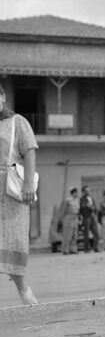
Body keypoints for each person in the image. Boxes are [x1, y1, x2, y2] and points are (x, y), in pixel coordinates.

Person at [0, 84, 39, 305]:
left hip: (12, 191)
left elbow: (29, 151)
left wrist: (28, 185)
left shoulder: (18, 122)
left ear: (3, 96)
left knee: (14, 240)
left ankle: (23, 290)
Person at [58, 187, 81, 254]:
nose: (77, 194)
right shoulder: (67, 200)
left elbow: (78, 209)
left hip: (75, 217)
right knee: (68, 235)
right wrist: (61, 219)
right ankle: (65, 250)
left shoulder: (77, 200)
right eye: (76, 192)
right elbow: (63, 210)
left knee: (75, 234)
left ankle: (73, 249)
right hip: (68, 217)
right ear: (73, 193)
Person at [80, 185, 101, 252]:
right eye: (86, 191)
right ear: (83, 192)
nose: (88, 192)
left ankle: (96, 247)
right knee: (86, 234)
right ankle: (87, 248)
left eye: (89, 190)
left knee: (96, 233)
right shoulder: (82, 199)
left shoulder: (91, 198)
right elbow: (82, 208)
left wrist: (95, 211)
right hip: (86, 217)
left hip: (93, 216)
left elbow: (94, 206)